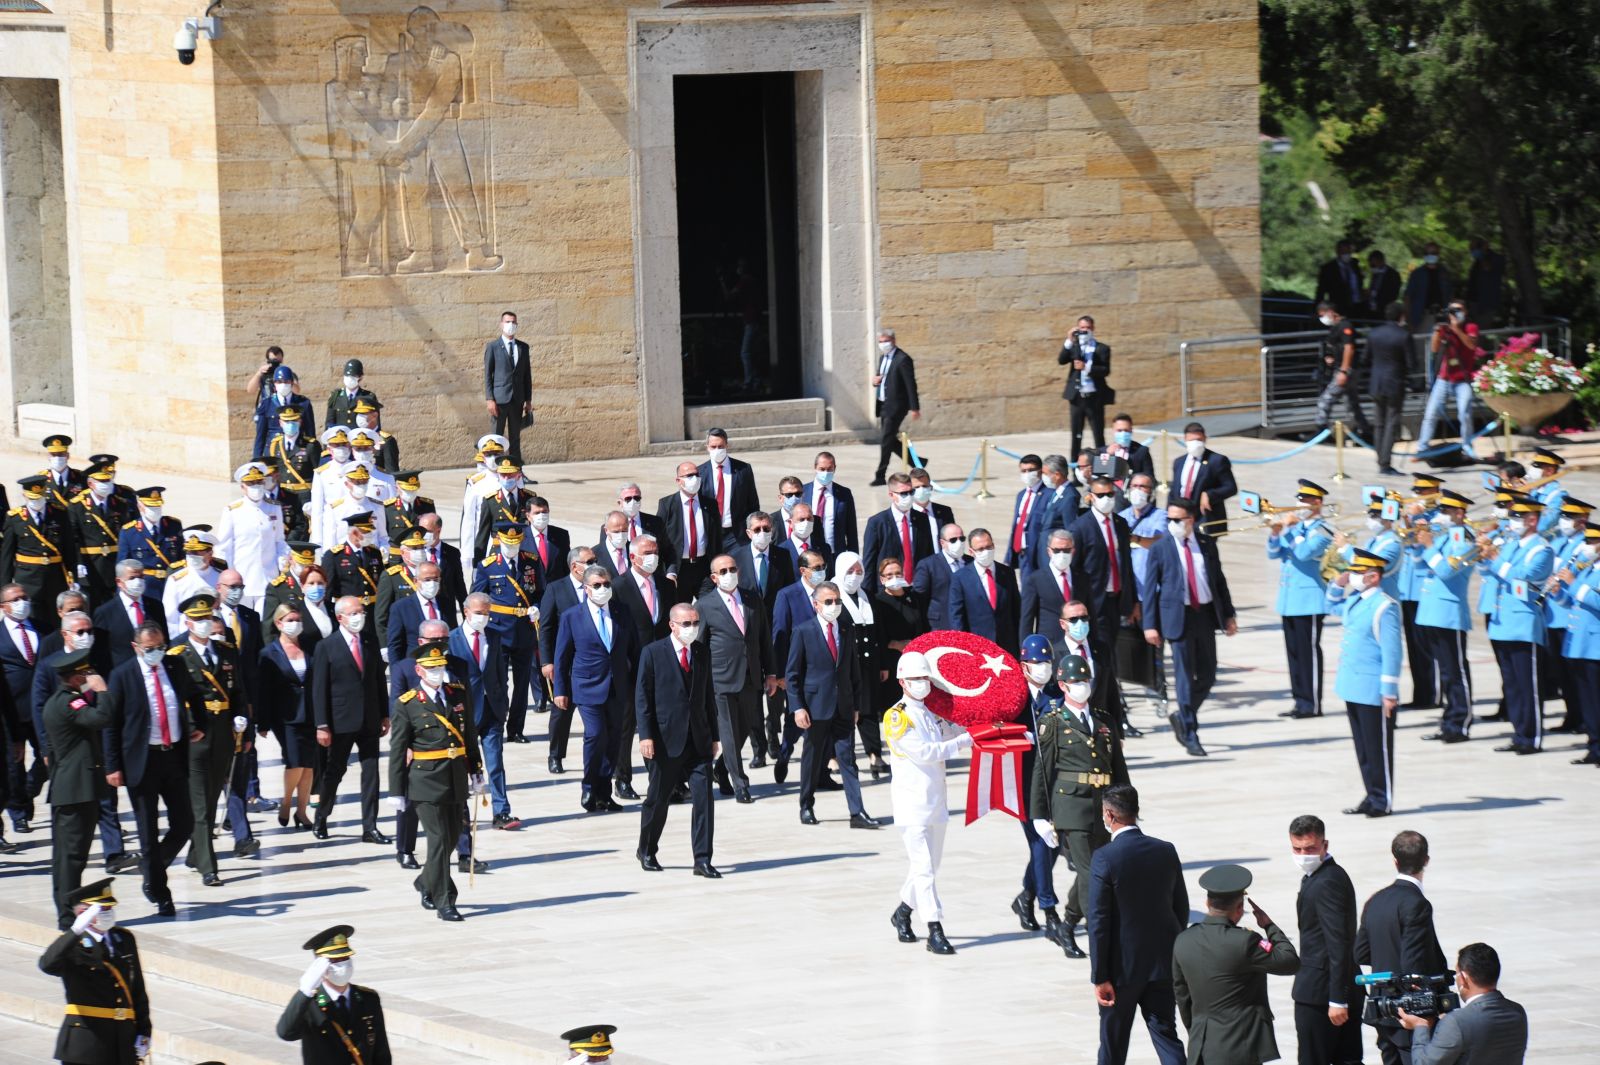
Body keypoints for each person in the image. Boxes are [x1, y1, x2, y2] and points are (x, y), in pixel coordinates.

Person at [1030, 654, 1128, 960]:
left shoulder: (1104, 719)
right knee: (1091, 873)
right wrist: (1039, 816)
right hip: (1071, 806)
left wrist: (1127, 809)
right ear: (1062, 685)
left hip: (1104, 807)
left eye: (1085, 680)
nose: (1082, 686)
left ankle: (1068, 924)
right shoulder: (1053, 721)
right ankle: (1102, 937)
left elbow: (1118, 768)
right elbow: (1042, 771)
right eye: (1075, 681)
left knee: (1097, 869)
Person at [102, 621, 199, 918]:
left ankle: (152, 866)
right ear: (136, 648)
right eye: (150, 648)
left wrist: (199, 725)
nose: (157, 652)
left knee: (185, 823)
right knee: (148, 830)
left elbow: (193, 696)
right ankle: (160, 893)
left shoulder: (174, 666)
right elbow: (111, 725)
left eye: (161, 647)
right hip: (142, 761)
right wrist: (113, 766)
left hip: (173, 756)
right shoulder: (122, 675)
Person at [1087, 784, 1188, 1065]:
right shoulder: (1165, 850)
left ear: (1109, 815)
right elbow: (1180, 908)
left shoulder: (1105, 857)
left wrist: (1100, 976)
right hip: (1162, 965)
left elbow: (1098, 921)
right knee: (1166, 1036)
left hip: (1121, 972)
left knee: (1113, 1046)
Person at [882, 650, 972, 955]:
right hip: (912, 804)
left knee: (930, 867)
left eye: (924, 677)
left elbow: (953, 730)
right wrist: (964, 742)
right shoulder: (897, 717)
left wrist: (977, 725)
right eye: (915, 678)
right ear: (902, 682)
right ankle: (935, 929)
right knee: (923, 868)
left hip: (935, 801)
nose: (921, 683)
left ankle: (903, 912)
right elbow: (926, 752)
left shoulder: (931, 713)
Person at [388, 641, 482, 921]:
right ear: (419, 670)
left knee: (451, 838)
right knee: (439, 839)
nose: (437, 672)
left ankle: (425, 881)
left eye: (440, 667)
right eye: (431, 668)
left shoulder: (457, 694)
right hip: (425, 780)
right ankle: (445, 901)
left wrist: (476, 769)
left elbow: (469, 734)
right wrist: (396, 790)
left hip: (455, 777)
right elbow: (397, 750)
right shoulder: (407, 704)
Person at [1173, 864, 1301, 1065]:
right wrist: (1269, 926)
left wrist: (1196, 1030)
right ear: (1240, 908)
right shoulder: (1244, 941)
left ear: (1207, 903)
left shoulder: (1183, 940)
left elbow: (1182, 995)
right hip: (1240, 1048)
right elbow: (1290, 961)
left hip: (1201, 1049)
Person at [165, 593, 248, 886]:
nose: (204, 623)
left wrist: (242, 719)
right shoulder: (177, 654)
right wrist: (189, 727)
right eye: (197, 619)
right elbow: (175, 698)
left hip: (223, 730)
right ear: (187, 622)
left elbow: (238, 691)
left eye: (207, 618)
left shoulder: (226, 651)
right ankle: (208, 867)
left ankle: (195, 853)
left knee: (212, 796)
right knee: (200, 803)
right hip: (196, 735)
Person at [1142, 500, 1236, 756]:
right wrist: (1150, 625)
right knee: (1184, 677)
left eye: (1177, 520)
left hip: (1203, 615)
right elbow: (1150, 589)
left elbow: (1219, 581)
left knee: (1208, 674)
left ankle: (1183, 714)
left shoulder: (1206, 544)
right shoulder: (1160, 548)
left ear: (1190, 520)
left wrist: (1229, 614)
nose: (1172, 524)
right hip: (1177, 618)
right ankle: (1190, 732)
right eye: (1169, 519)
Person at [635, 604, 720, 877]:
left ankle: (702, 859)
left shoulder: (702, 651)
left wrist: (715, 736)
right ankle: (647, 849)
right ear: (672, 625)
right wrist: (646, 736)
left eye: (695, 623)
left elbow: (708, 696)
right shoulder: (653, 653)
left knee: (704, 800)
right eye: (686, 624)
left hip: (698, 740)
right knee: (658, 800)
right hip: (665, 740)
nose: (692, 628)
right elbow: (643, 698)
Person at [787, 580, 879, 828]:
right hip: (815, 707)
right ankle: (806, 805)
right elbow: (793, 674)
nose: (834, 605)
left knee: (847, 759)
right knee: (812, 758)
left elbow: (853, 670)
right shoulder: (803, 631)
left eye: (837, 601)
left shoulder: (846, 629)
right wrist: (798, 707)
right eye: (828, 601)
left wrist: (856, 705)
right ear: (816, 605)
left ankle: (857, 812)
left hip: (843, 706)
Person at [1356, 830, 1448, 1065]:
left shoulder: (1375, 900)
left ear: (1395, 861)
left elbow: (1361, 952)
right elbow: (1413, 962)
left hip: (1382, 1007)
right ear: (1426, 860)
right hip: (1409, 1011)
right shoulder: (1417, 904)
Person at [39, 879, 152, 1064]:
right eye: (102, 909)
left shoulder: (124, 939)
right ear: (83, 913)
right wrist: (75, 930)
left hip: (123, 1041)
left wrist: (144, 1031)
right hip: (87, 1042)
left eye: (110, 908)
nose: (108, 913)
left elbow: (137, 989)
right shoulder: (71, 945)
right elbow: (46, 964)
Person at [554, 564, 638, 813]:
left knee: (614, 739)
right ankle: (589, 785)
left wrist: (637, 683)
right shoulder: (572, 616)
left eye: (607, 584)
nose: (603, 589)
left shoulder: (622, 612)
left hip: (617, 686)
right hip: (587, 686)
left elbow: (634, 649)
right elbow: (562, 657)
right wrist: (560, 690)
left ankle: (604, 791)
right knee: (595, 734)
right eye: (597, 585)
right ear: (587, 589)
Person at [1325, 548, 1402, 816]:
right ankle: (1371, 794)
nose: (1353, 576)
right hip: (1353, 686)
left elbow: (1392, 652)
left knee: (1378, 748)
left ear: (1374, 577)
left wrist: (1389, 692)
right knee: (1363, 748)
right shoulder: (1355, 600)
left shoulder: (1385, 606)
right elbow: (1330, 606)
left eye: (1358, 572)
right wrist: (1338, 584)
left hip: (1373, 689)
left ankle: (1382, 800)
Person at [41, 647, 113, 929]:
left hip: (69, 787)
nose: (90, 677)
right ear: (75, 678)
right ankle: (67, 915)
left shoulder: (57, 701)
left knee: (65, 856)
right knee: (72, 856)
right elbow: (101, 718)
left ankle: (66, 911)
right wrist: (102, 691)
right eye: (86, 673)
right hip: (77, 790)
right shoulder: (71, 702)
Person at [309, 596, 389, 843]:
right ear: (340, 617)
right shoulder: (327, 646)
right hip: (340, 720)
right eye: (353, 613)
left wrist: (385, 713)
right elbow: (319, 689)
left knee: (371, 773)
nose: (359, 617)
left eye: (361, 612)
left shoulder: (370, 641)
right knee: (335, 771)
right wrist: (322, 725)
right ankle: (322, 816)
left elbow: (378, 679)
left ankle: (370, 827)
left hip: (369, 719)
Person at [696, 555, 773, 805]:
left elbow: (764, 637)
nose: (729, 574)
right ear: (714, 577)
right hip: (721, 678)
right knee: (728, 731)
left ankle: (721, 768)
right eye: (723, 571)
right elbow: (699, 647)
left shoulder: (752, 599)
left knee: (744, 728)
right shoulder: (705, 605)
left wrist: (771, 672)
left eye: (732, 569)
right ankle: (741, 783)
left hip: (751, 675)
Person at [1288, 814, 1364, 1065]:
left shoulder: (1327, 881)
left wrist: (1337, 998)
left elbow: (1338, 942)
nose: (1303, 855)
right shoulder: (1320, 876)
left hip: (1322, 994)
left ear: (1325, 845)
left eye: (1310, 848)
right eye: (1297, 849)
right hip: (1330, 988)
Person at [1480, 496, 1552, 754]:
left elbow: (1524, 578)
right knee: (1511, 684)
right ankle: (1519, 733)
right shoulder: (1511, 545)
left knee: (1528, 685)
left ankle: (1531, 737)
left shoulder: (1542, 550)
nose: (1513, 522)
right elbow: (1493, 574)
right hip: (1502, 621)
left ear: (1532, 520)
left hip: (1523, 623)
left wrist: (1496, 559)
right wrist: (1483, 557)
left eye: (1518, 517)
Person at [1412, 490, 1478, 743]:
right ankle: (1449, 721)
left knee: (1455, 671)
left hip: (1449, 613)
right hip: (1431, 610)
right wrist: (1418, 543)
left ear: (1459, 513)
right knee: (1446, 672)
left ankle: (1460, 722)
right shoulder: (1443, 537)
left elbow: (1446, 570)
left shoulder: (1464, 540)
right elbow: (1419, 565)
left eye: (1446, 511)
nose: (1440, 516)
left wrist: (1429, 546)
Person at [278, 924, 392, 1064]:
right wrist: (305, 991)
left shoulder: (368, 999)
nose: (343, 964)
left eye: (345, 957)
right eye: (335, 960)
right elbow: (285, 1033)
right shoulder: (310, 1004)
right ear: (320, 965)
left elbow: (381, 1053)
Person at [1398, 943, 1528, 1065]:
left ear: (1464, 978)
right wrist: (1443, 1024)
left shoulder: (1456, 1022)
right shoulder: (1517, 1011)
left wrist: (1421, 1027)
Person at [1012, 635, 1064, 944]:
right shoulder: (1015, 698)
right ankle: (1049, 908)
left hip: (1054, 781)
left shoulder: (1057, 694)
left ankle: (1026, 895)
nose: (1042, 668)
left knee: (1054, 844)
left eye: (1046, 662)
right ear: (1023, 666)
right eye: (1036, 663)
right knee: (1041, 843)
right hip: (1025, 783)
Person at [473, 522, 542, 747]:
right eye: (507, 543)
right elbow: (477, 597)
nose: (512, 548)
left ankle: (516, 729)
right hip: (498, 632)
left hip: (524, 631)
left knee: (522, 685)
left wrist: (537, 607)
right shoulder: (487, 566)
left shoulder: (531, 561)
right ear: (499, 541)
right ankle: (496, 726)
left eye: (516, 543)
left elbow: (541, 592)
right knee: (498, 684)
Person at [1269, 480, 1334, 718]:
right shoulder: (1295, 529)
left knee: (1309, 654)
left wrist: (1290, 531)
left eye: (1305, 500)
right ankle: (1299, 701)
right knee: (1294, 654)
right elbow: (1273, 553)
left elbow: (1305, 553)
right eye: (1299, 499)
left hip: (1310, 600)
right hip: (1289, 599)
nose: (1300, 504)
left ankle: (1312, 704)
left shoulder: (1324, 529)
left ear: (1317, 502)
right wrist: (1275, 533)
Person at [259, 604, 317, 831]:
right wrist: (263, 722)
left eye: (297, 619)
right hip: (285, 715)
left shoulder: (310, 646)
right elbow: (264, 690)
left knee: (308, 764)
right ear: (279, 623)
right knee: (295, 761)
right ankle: (286, 801)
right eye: (290, 620)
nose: (295, 624)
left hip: (310, 712)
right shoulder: (269, 653)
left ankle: (301, 811)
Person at [539, 546, 594, 773]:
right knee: (561, 711)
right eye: (589, 561)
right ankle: (555, 755)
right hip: (566, 663)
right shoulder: (556, 589)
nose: (594, 565)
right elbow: (546, 627)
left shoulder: (598, 586)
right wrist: (547, 662)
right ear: (574, 566)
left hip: (591, 662)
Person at [2, 474, 77, 633]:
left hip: (55, 579)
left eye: (40, 497)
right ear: (25, 496)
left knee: (56, 622)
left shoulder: (59, 514)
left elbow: (69, 548)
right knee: (33, 623)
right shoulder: (15, 518)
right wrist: (4, 587)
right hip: (28, 580)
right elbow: (7, 556)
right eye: (32, 498)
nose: (36, 501)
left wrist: (74, 576)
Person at [1413, 299, 1481, 462]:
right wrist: (1438, 331)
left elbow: (1472, 345)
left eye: (1459, 310)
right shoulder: (1445, 327)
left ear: (1465, 311)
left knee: (1464, 414)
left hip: (1463, 379)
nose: (1456, 314)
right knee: (1430, 414)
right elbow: (1434, 349)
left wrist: (1456, 328)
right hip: (1444, 378)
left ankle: (1467, 447)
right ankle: (1422, 448)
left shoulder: (1471, 327)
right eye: (1452, 311)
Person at [215, 463, 287, 612]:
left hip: (268, 578)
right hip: (241, 580)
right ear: (243, 487)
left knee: (265, 620)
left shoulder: (274, 507)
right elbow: (223, 548)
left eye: (259, 482)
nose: (256, 486)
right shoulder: (232, 511)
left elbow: (279, 541)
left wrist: (283, 567)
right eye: (251, 483)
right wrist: (228, 577)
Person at [656, 461, 721, 606]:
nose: (695, 479)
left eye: (697, 474)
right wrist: (668, 571)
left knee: (710, 607)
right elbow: (660, 540)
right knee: (682, 610)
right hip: (680, 569)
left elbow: (717, 538)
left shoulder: (710, 504)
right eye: (689, 475)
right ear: (678, 481)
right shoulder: (667, 505)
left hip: (704, 568)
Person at [949, 528, 1021, 655]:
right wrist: (962, 648)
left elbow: (1017, 611)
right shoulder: (960, 578)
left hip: (1007, 647)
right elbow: (957, 617)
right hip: (977, 647)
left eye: (988, 547)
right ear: (971, 552)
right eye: (980, 549)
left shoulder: (1007, 573)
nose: (986, 552)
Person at [863, 473, 931, 597]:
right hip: (888, 591)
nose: (908, 497)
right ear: (891, 495)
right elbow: (869, 563)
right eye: (904, 493)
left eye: (911, 492)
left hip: (917, 589)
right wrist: (867, 595)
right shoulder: (877, 523)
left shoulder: (922, 519)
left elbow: (928, 554)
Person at [1314, 301, 1372, 440]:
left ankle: (1321, 431)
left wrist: (1344, 371)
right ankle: (1366, 431)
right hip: (1342, 368)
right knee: (1352, 403)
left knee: (1325, 400)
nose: (1322, 319)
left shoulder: (1345, 326)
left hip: (1345, 370)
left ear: (1330, 312)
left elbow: (1349, 348)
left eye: (1323, 315)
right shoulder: (1336, 327)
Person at [116, 486, 184, 604]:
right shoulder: (129, 531)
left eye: (157, 506)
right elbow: (123, 565)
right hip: (145, 590)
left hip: (171, 585)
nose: (155, 510)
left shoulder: (173, 525)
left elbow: (182, 558)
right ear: (140, 506)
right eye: (150, 506)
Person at [871, 326, 921, 486]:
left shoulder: (903, 359)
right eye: (880, 341)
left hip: (897, 406)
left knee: (886, 440)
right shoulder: (883, 358)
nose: (883, 344)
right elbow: (881, 379)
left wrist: (915, 407)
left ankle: (880, 475)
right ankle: (918, 462)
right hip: (883, 404)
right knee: (889, 439)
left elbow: (910, 385)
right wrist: (875, 382)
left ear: (893, 340)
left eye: (885, 341)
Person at [1060, 314, 1114, 458]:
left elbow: (1105, 370)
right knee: (1076, 436)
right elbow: (1061, 360)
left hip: (1094, 397)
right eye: (1082, 328)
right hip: (1077, 397)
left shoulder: (1101, 348)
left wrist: (1087, 367)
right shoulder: (1074, 347)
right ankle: (1075, 467)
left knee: (1098, 435)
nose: (1085, 331)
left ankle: (1102, 466)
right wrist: (1069, 340)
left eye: (1088, 328)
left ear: (1093, 328)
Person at [1368, 302, 1412, 475]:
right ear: (1401, 315)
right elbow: (1411, 363)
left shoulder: (1374, 333)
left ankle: (1380, 459)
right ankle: (1385, 463)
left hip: (1376, 382)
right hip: (1395, 383)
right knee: (1391, 423)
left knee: (1379, 423)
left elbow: (1365, 357)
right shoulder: (1404, 335)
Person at [1170, 424, 1237, 537]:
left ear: (1205, 439)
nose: (1195, 443)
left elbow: (1231, 487)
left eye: (1199, 440)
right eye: (1192, 440)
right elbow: (1173, 491)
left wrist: (1210, 494)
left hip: (1204, 519)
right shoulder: (1179, 462)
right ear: (1185, 439)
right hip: (1180, 518)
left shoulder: (1217, 460)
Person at [699, 429, 761, 547]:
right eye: (713, 447)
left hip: (737, 534)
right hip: (711, 534)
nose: (717, 450)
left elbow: (753, 502)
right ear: (707, 447)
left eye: (721, 446)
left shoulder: (743, 469)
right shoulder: (700, 472)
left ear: (727, 445)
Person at [253, 363, 317, 457]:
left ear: (292, 383)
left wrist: (313, 454)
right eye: (279, 382)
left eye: (286, 381)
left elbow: (310, 432)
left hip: (297, 451)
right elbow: (260, 436)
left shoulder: (303, 403)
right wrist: (256, 459)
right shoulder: (266, 404)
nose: (283, 384)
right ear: (274, 384)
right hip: (273, 452)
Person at [804, 451, 859, 555]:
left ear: (834, 469)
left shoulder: (844, 493)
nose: (826, 473)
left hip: (835, 554)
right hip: (809, 554)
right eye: (822, 469)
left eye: (829, 469)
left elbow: (851, 530)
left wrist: (853, 556)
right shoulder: (803, 492)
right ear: (815, 467)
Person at [1008, 453, 1047, 579]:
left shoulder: (1048, 494)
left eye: (1031, 470)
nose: (1027, 474)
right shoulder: (1021, 495)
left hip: (1039, 554)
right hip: (1023, 554)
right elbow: (1017, 524)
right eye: (1023, 471)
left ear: (1040, 470)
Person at [1404, 243, 1454, 340]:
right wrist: (1408, 321)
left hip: (1442, 316)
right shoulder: (1417, 274)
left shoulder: (1444, 273)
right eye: (1427, 253)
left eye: (1433, 253)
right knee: (1420, 345)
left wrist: (1451, 316)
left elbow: (1450, 295)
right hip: (1421, 317)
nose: (1430, 255)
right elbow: (1408, 297)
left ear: (1438, 254)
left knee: (1441, 345)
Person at [325, 358, 376, 435]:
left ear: (361, 377)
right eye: (347, 375)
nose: (350, 378)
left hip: (361, 439)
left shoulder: (368, 397)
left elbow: (375, 424)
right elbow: (329, 423)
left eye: (354, 375)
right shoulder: (335, 396)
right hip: (341, 439)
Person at [1316, 240, 1365, 319]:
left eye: (1348, 252)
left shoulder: (1355, 265)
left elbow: (1359, 285)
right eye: (1344, 252)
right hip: (1338, 308)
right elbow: (1321, 290)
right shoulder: (1328, 268)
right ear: (1338, 252)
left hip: (1357, 307)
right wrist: (1318, 309)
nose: (1346, 255)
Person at [1464, 237, 1506, 325]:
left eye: (1474, 248)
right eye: (1471, 249)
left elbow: (1487, 268)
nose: (1472, 251)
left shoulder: (1497, 258)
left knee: (1483, 330)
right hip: (1473, 304)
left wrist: (1483, 254)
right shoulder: (1476, 263)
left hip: (1486, 305)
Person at [1103, 413, 1155, 481]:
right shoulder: (1103, 451)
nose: (1123, 433)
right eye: (1119, 430)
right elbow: (1099, 478)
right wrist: (1108, 455)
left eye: (1126, 430)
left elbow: (1150, 477)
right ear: (1113, 431)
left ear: (1131, 430)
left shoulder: (1142, 451)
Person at [1364, 250, 1401, 318]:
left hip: (1384, 310)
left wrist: (1372, 293)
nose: (1372, 267)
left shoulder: (1393, 275)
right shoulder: (1376, 273)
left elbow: (1392, 294)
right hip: (1371, 309)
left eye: (1373, 265)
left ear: (1380, 261)